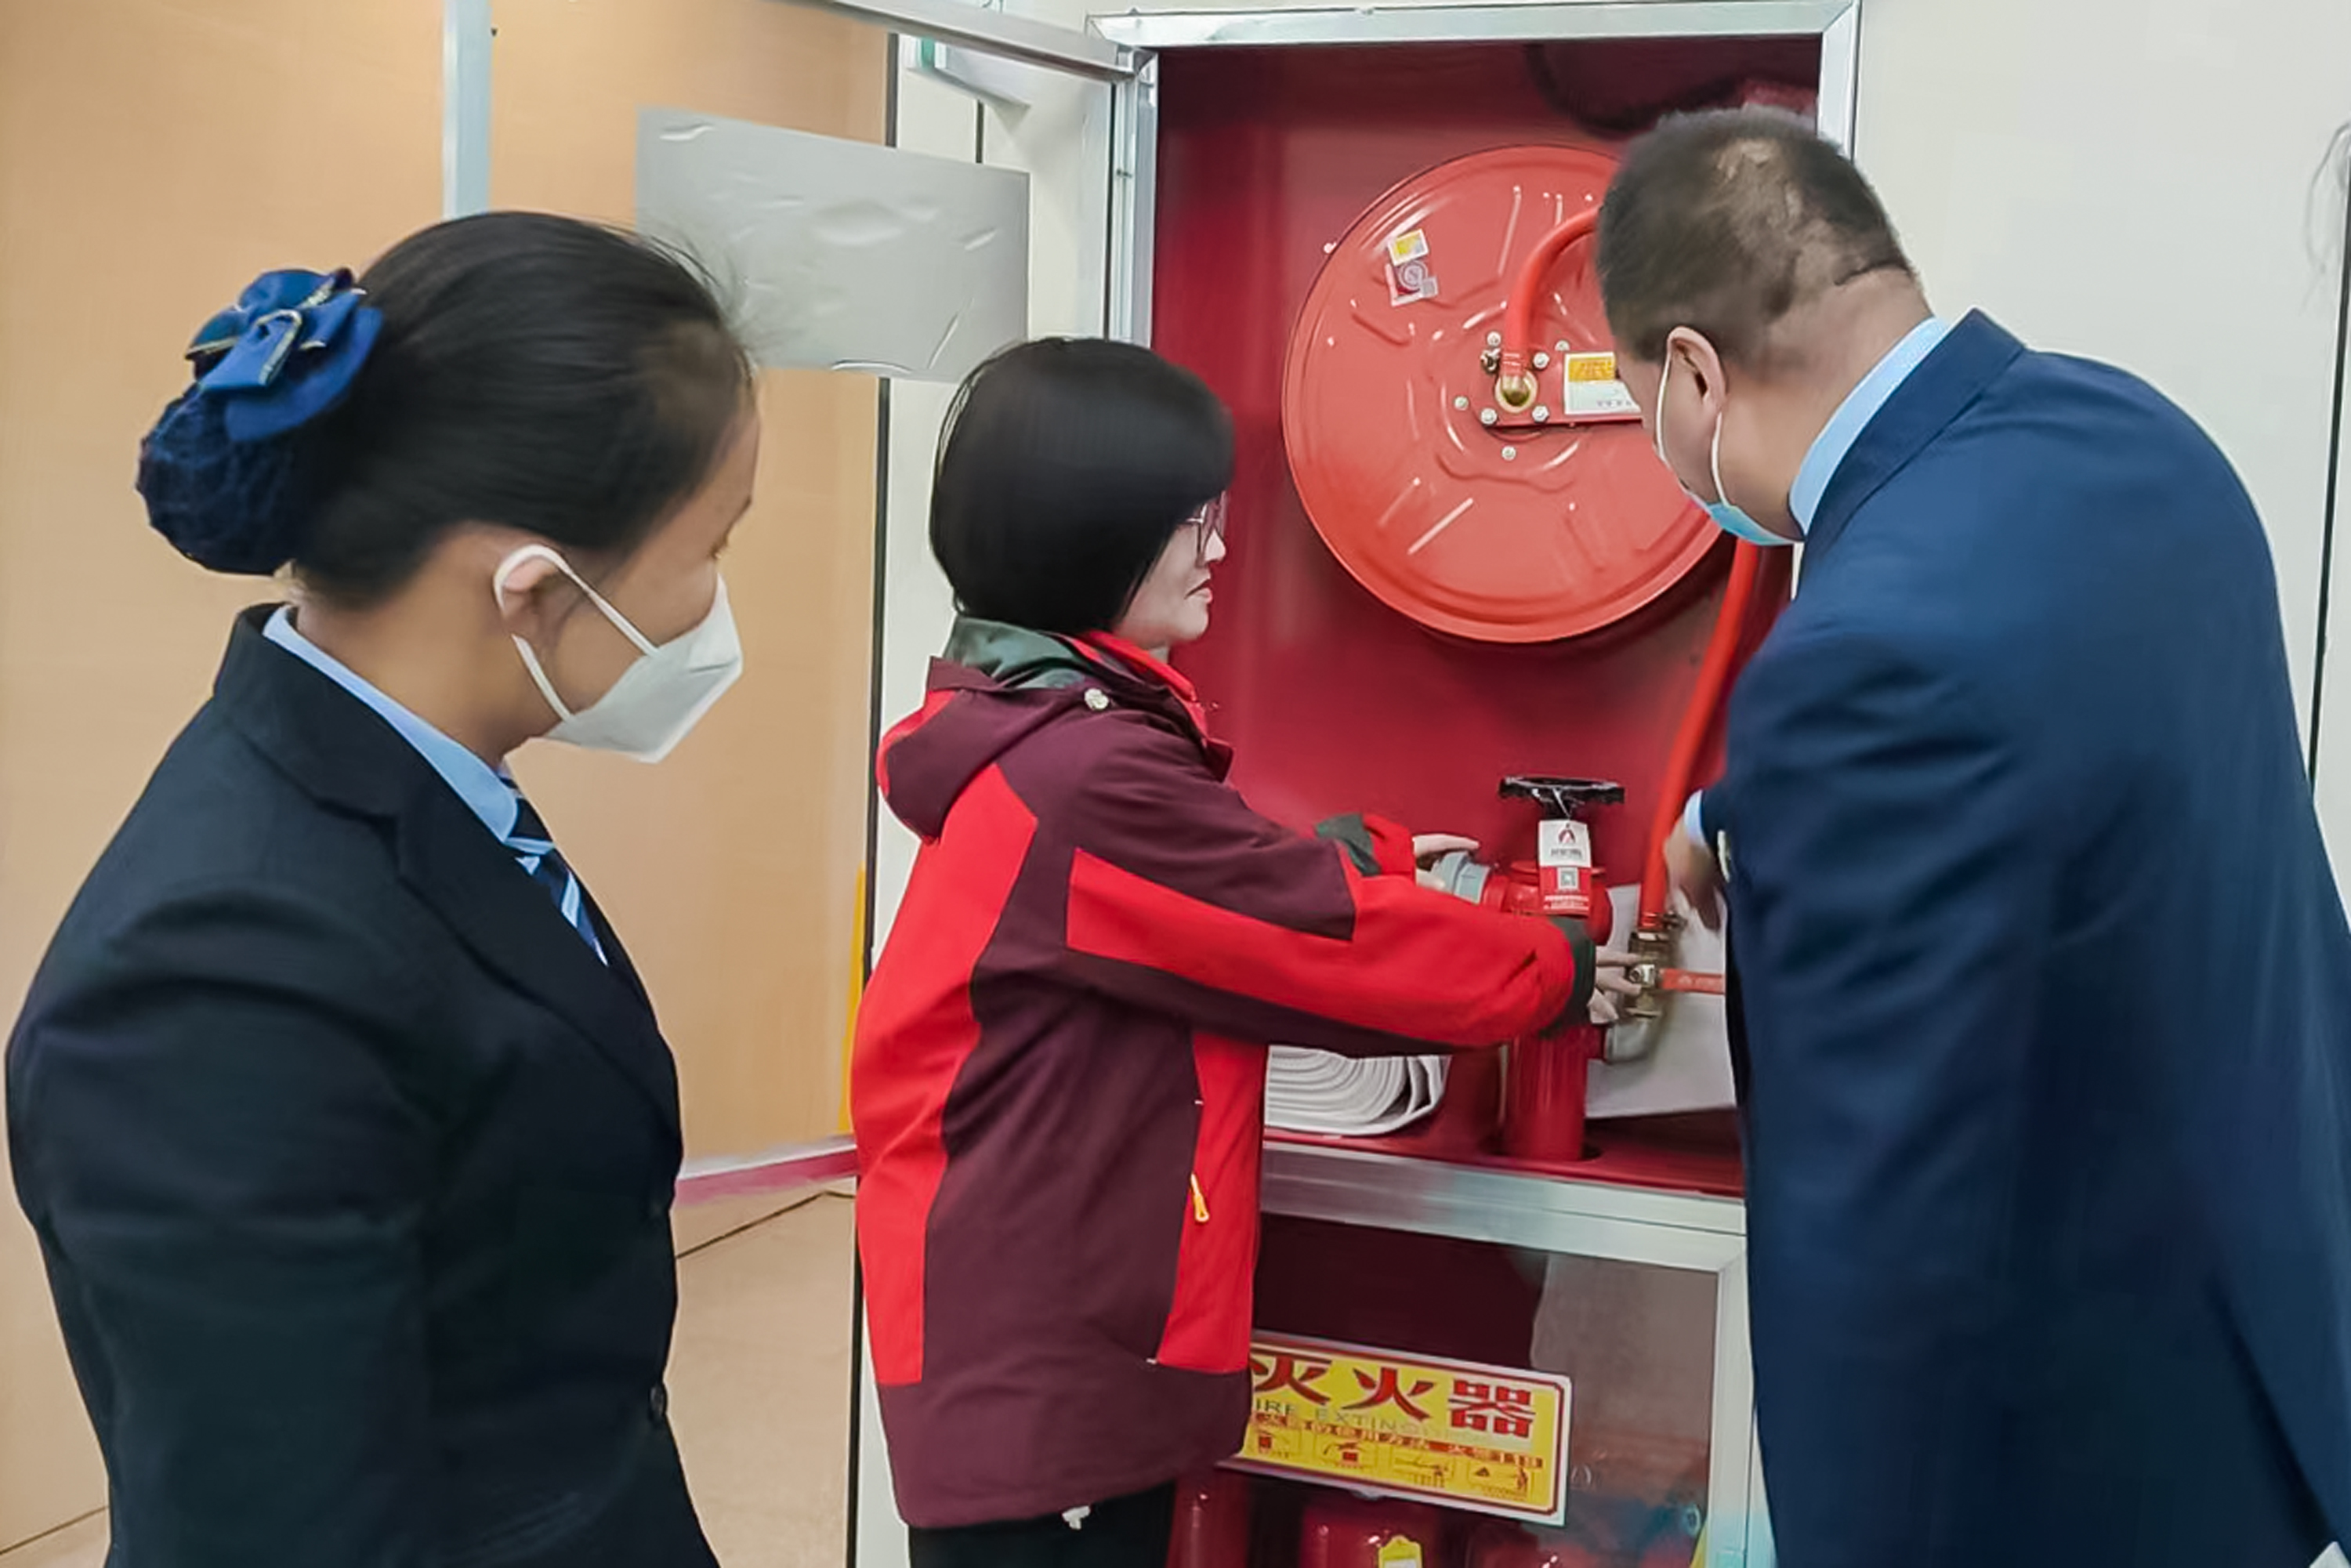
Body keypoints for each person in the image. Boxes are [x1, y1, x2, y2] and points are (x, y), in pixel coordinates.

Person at [1596, 108, 2351, 1566]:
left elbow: (1883, 1238)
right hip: (2256, 1365)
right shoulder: (2133, 439)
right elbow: (2055, 694)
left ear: (1693, 374)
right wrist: (1738, 802)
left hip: (2058, 1472)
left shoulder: (1853, 662)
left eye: (1643, 412)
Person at [5, 212, 758, 1566]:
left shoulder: (428, 785)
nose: (713, 609)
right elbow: (281, 1523)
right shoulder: (220, 971)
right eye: (711, 546)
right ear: (531, 588)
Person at [853, 337, 1628, 1566]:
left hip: (1016, 1334)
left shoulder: (1032, 732)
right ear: (1090, 531)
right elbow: (1322, 943)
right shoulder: (1084, 773)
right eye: (1188, 520)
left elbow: (1206, 899)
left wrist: (1347, 855)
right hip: (1044, 1370)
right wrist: (1561, 967)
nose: (1216, 547)